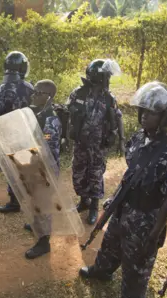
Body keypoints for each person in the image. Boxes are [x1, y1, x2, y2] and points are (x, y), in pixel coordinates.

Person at [79, 82, 167, 298]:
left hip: (147, 215)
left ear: (166, 117)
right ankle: (102, 270)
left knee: (137, 259)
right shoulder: (138, 139)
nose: (144, 116)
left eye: (152, 113)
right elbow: (130, 174)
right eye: (143, 111)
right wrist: (115, 199)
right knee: (111, 241)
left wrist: (156, 232)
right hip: (125, 206)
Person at [67, 59, 123, 225]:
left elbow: (118, 118)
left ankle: (94, 207)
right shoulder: (78, 93)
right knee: (78, 174)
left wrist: (121, 140)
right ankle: (84, 201)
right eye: (107, 77)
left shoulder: (108, 98)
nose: (109, 80)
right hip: (80, 144)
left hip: (99, 145)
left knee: (96, 175)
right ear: (100, 77)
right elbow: (67, 114)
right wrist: (64, 137)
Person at [23, 80, 62, 259]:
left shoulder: (51, 119)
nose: (33, 95)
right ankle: (37, 226)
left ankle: (44, 242)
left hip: (44, 168)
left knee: (43, 203)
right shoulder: (39, 114)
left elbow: (48, 150)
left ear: (47, 97)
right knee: (36, 200)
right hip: (35, 165)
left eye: (37, 92)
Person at [0, 51, 35, 213]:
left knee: (12, 168)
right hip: (25, 135)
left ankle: (15, 200)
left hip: (8, 136)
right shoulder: (28, 87)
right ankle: (30, 200)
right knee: (25, 167)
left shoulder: (1, 88)